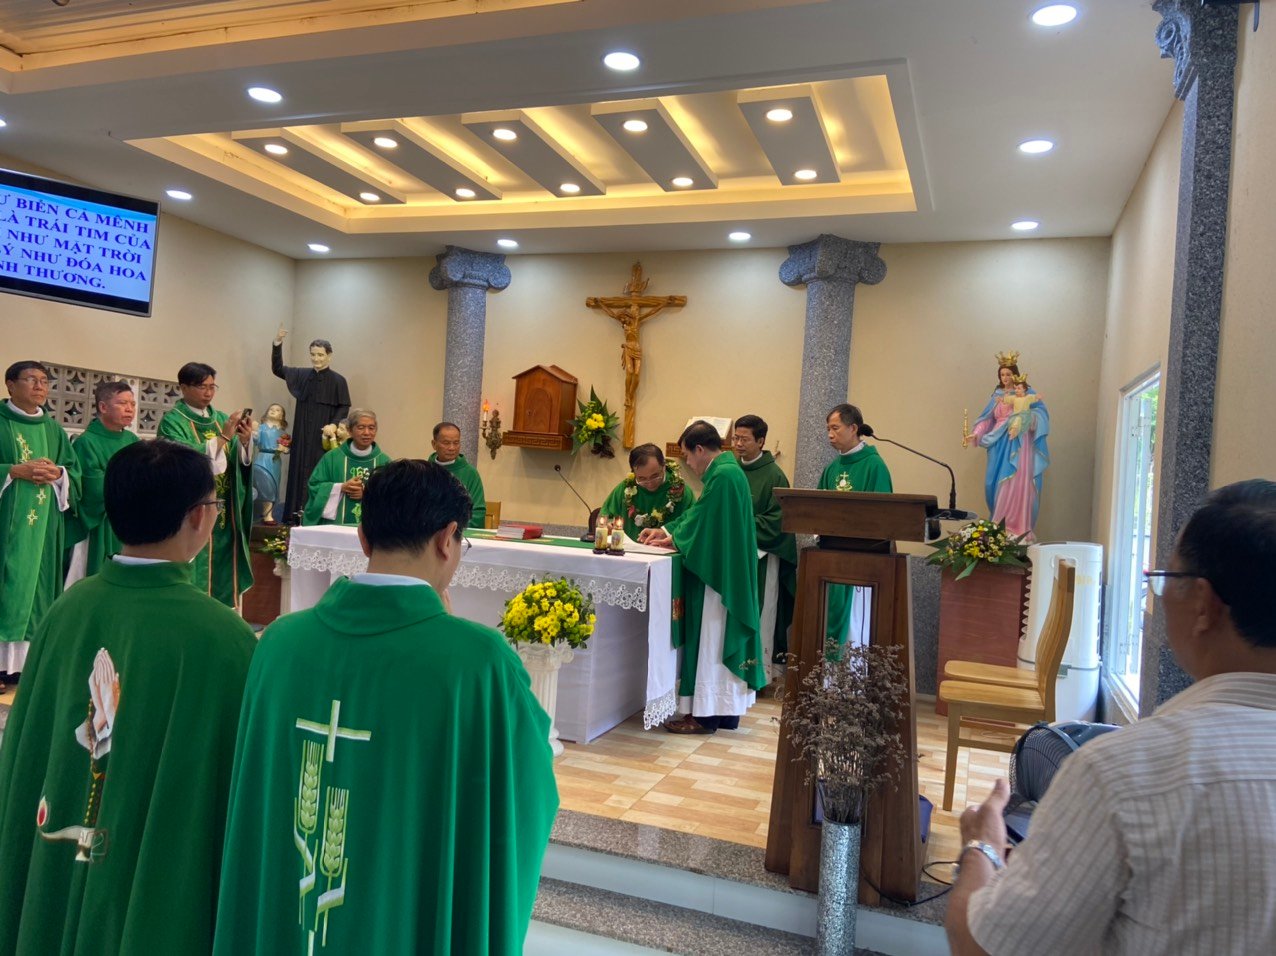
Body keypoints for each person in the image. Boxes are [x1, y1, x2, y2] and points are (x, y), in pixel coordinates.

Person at [213, 459, 558, 956]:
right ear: (447, 538)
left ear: (362, 538)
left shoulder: (279, 644)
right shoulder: (478, 662)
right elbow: (527, 781)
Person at [946, 479, 1276, 956]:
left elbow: (981, 946)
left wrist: (982, 847)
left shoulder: (1121, 773)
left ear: (1204, 606)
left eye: (1165, 577)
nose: (1160, 595)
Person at [0, 439, 256, 955]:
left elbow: (28, 753)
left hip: (62, 846)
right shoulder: (222, 636)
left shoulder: (66, 610)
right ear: (198, 517)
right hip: (153, 882)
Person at [639, 421, 764, 734]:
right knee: (716, 637)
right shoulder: (727, 471)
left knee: (712, 638)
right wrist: (667, 531)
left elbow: (704, 522)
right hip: (727, 572)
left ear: (699, 449)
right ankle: (725, 712)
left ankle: (705, 716)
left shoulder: (723, 475)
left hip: (718, 580)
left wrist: (674, 537)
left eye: (687, 456)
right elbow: (702, 516)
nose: (688, 463)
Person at [0, 361, 80, 677]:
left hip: (43, 531)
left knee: (37, 589)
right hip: (6, 525)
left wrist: (59, 474)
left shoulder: (53, 429)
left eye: (44, 381)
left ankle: (24, 667)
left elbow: (74, 471)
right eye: (31, 379)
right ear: (10, 385)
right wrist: (11, 471)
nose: (39, 386)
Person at [158, 362, 254, 608]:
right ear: (183, 388)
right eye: (202, 387)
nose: (209, 392)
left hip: (224, 514)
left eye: (213, 387)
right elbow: (181, 459)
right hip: (191, 512)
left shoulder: (221, 419)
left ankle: (221, 615)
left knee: (223, 570)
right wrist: (223, 438)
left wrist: (244, 442)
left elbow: (237, 460)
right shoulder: (172, 421)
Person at [819, 404, 892, 648]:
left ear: (853, 428)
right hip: (831, 561)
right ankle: (827, 673)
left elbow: (883, 517)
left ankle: (851, 674)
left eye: (835, 428)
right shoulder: (831, 468)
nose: (830, 434)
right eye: (828, 429)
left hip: (861, 564)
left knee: (854, 628)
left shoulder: (874, 466)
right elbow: (816, 510)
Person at [733, 414, 797, 679]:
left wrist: (737, 524)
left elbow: (777, 520)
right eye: (735, 438)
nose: (738, 444)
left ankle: (758, 672)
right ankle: (733, 669)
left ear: (760, 441)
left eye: (744, 439)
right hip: (732, 555)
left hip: (761, 556)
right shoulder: (731, 471)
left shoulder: (775, 476)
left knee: (762, 612)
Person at [967, 352, 1050, 540]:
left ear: (1015, 374)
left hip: (1020, 445)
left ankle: (1017, 527)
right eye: (1002, 374)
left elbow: (1041, 416)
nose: (1005, 378)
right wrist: (977, 433)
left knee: (1016, 482)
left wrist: (1027, 419)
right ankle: (999, 524)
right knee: (993, 483)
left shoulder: (1027, 393)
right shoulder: (997, 396)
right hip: (998, 444)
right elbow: (987, 419)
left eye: (1008, 374)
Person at [272, 327, 351, 522]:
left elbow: (344, 406)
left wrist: (334, 424)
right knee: (298, 471)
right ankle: (293, 517)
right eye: (313, 354)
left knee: (320, 474)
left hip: (323, 438)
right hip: (302, 434)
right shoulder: (301, 375)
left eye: (320, 355)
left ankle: (316, 517)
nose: (316, 359)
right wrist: (277, 343)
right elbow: (278, 369)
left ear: (329, 356)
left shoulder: (339, 381)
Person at [65, 381, 139, 584]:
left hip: (130, 521)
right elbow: (93, 489)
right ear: (103, 407)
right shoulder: (86, 442)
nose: (129, 409)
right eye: (122, 403)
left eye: (132, 404)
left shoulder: (132, 440)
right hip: (99, 523)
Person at [302, 408, 391, 526]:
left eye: (371, 428)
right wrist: (340, 488)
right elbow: (314, 487)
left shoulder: (384, 461)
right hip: (336, 527)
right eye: (361, 427)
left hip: (371, 529)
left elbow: (392, 495)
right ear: (349, 430)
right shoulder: (332, 458)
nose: (366, 433)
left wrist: (367, 494)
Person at [599, 442, 695, 541]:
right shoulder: (626, 488)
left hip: (666, 549)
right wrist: (608, 526)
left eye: (655, 476)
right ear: (634, 473)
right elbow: (606, 516)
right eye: (642, 478)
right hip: (629, 549)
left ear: (663, 466)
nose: (650, 483)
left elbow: (694, 525)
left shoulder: (680, 490)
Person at [429, 420, 486, 528]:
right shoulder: (424, 471)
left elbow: (478, 513)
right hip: (429, 533)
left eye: (456, 443)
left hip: (460, 533)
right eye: (446, 443)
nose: (452, 448)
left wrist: (453, 529)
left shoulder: (470, 473)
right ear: (434, 444)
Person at [251, 402, 289, 525]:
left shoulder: (283, 433)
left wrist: (284, 449)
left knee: (273, 485)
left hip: (275, 461)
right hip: (262, 458)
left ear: (282, 416)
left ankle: (268, 514)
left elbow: (288, 448)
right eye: (271, 409)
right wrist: (254, 431)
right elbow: (255, 440)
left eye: (277, 410)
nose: (273, 411)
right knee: (264, 484)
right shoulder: (261, 428)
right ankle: (265, 515)